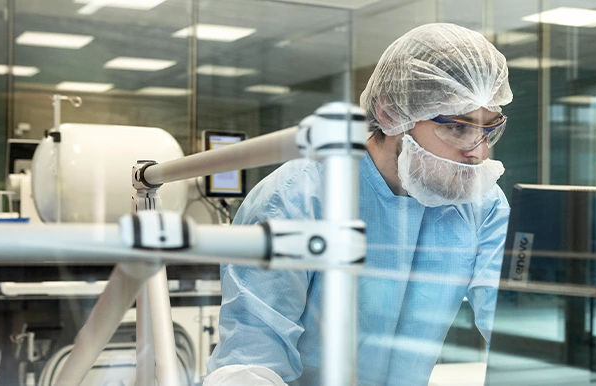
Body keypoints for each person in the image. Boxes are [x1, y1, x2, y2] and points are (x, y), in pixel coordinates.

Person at [206, 23, 513, 386]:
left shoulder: (480, 203)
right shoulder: (296, 197)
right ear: (389, 114)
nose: (479, 152)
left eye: (489, 129)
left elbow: (505, 319)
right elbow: (252, 360)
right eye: (458, 128)